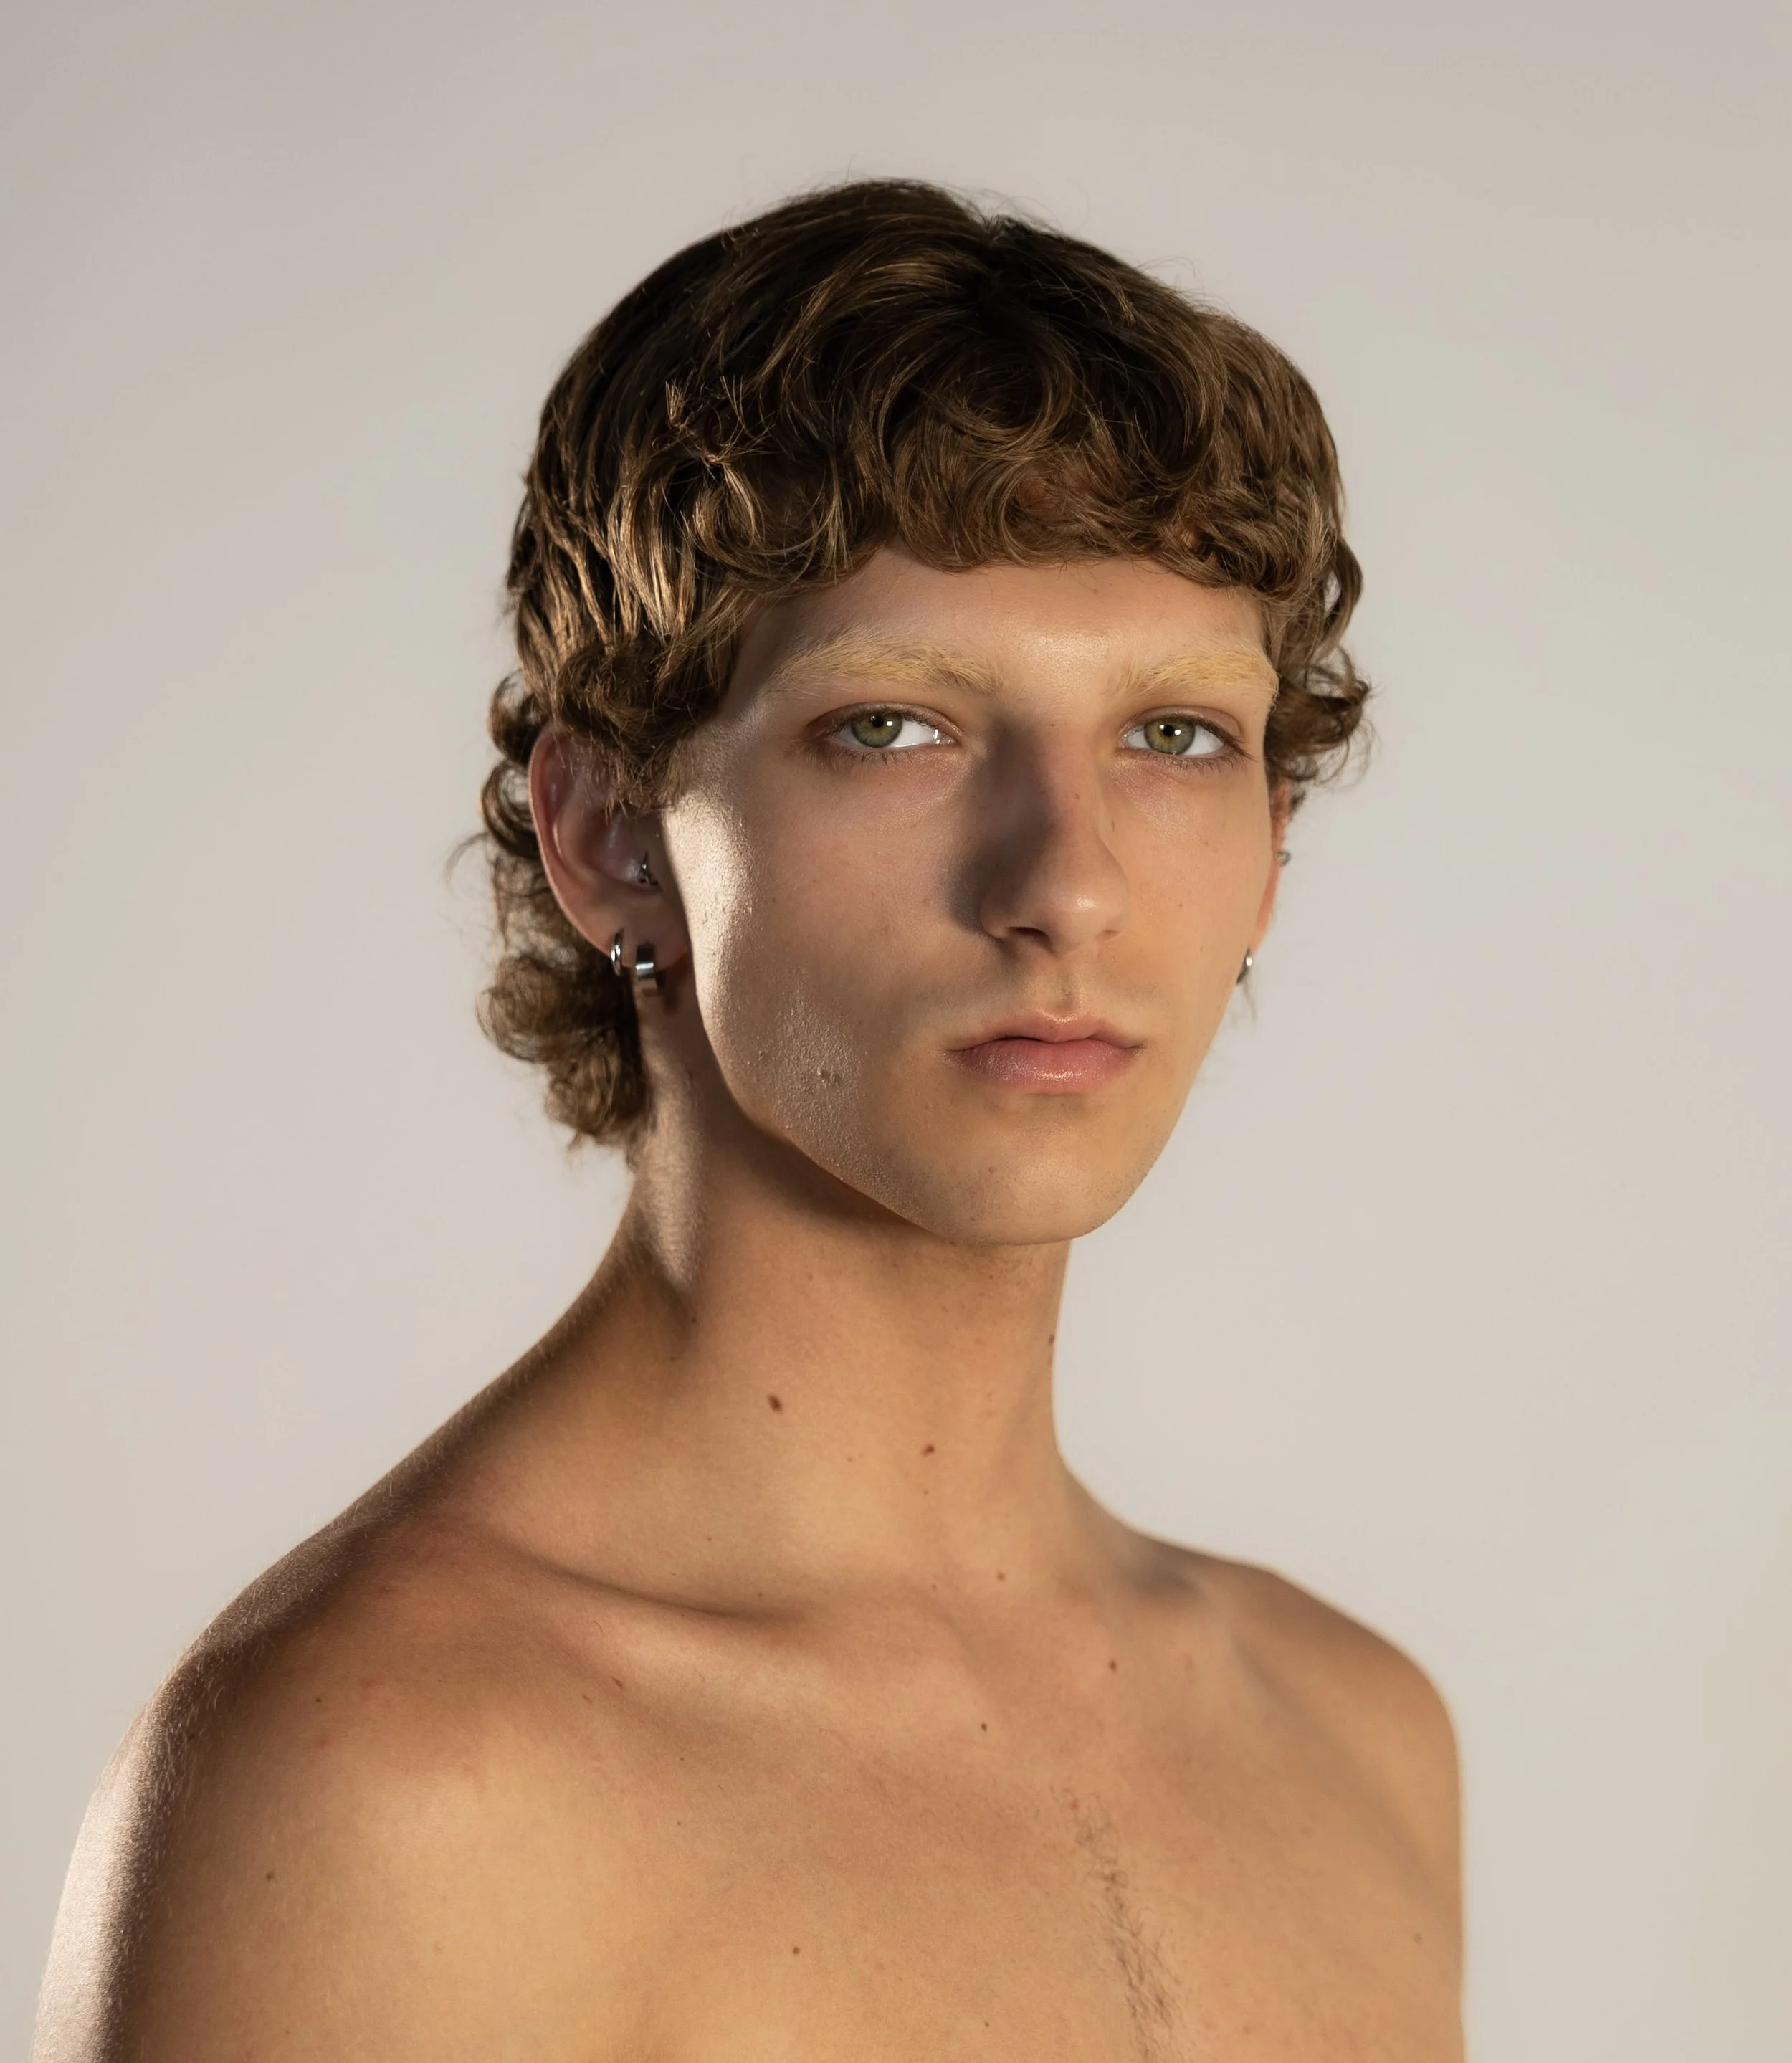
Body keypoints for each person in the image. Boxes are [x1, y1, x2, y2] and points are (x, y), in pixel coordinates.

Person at [36, 179, 1462, 2062]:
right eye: (894, 726)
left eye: (1173, 735)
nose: (1068, 886)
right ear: (607, 833)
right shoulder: (392, 1789)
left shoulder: (1354, 1736)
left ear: (1274, 843)